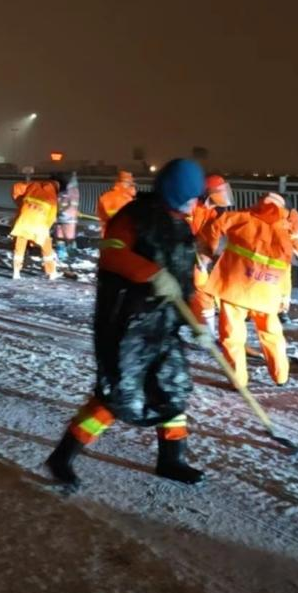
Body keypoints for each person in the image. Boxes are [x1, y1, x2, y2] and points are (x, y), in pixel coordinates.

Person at [46, 159, 208, 487]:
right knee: (118, 394)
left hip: (164, 325)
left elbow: (187, 283)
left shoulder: (181, 227)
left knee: (171, 388)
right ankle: (63, 456)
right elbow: (112, 254)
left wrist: (198, 321)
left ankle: (172, 459)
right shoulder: (134, 217)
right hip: (128, 326)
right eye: (190, 196)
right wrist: (152, 274)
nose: (194, 203)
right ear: (175, 193)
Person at [197, 192, 294, 388]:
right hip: (267, 290)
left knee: (232, 337)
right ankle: (281, 376)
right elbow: (286, 265)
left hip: (235, 287)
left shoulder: (243, 217)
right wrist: (285, 294)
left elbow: (215, 226)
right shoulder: (285, 228)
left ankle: (239, 381)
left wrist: (207, 252)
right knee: (272, 334)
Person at [188, 174, 235, 326]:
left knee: (205, 284)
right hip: (183, 249)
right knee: (200, 284)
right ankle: (204, 324)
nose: (224, 194)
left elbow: (210, 235)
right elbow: (185, 231)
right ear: (209, 193)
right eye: (220, 191)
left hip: (195, 250)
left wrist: (207, 254)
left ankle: (205, 320)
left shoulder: (213, 212)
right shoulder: (192, 206)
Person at [10, 175, 59, 280]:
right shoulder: (52, 197)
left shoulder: (31, 189)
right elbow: (51, 218)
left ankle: (16, 272)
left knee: (19, 249)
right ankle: (51, 272)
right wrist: (47, 228)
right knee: (47, 249)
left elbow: (17, 191)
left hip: (23, 223)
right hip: (39, 225)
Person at [96, 170, 137, 236]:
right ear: (124, 183)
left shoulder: (107, 197)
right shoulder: (121, 198)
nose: (132, 187)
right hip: (120, 235)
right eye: (130, 184)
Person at [54, 172, 80, 263]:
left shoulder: (72, 191)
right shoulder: (61, 191)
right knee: (60, 237)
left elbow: (71, 204)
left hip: (68, 219)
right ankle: (62, 255)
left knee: (69, 238)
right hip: (61, 217)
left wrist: (61, 211)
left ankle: (71, 255)